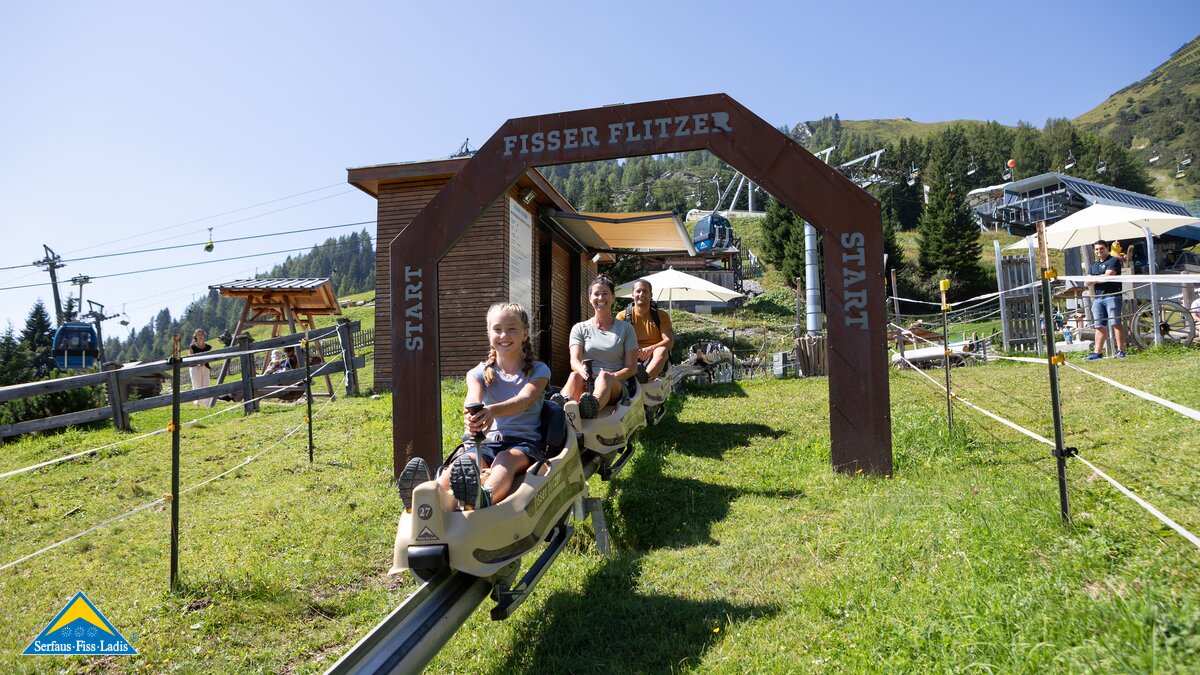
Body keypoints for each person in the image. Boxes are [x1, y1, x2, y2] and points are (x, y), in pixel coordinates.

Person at [397, 303, 551, 511]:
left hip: (522, 444)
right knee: (466, 462)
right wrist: (472, 416)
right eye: (497, 329)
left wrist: (492, 411)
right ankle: (429, 496)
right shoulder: (477, 373)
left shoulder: (539, 371)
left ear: (524, 334)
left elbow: (524, 400)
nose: (504, 335)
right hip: (485, 443)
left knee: (505, 459)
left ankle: (483, 496)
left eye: (511, 329)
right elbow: (473, 399)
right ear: (489, 334)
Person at [559, 275, 638, 419]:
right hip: (587, 380)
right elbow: (574, 361)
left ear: (613, 297)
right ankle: (562, 405)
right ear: (590, 298)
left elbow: (631, 368)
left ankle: (591, 406)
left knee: (604, 377)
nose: (600, 298)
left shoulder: (626, 329)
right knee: (574, 375)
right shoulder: (579, 328)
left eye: (605, 293)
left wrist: (610, 376)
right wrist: (581, 370)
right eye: (596, 294)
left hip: (615, 384)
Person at [616, 278, 675, 381]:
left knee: (663, 350)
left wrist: (649, 349)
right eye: (638, 291)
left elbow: (669, 342)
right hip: (631, 354)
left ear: (651, 295)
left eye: (645, 291)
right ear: (632, 295)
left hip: (654, 356)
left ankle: (644, 377)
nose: (641, 294)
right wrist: (635, 352)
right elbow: (617, 342)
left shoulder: (661, 316)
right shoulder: (622, 316)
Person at [1086, 240, 1126, 360]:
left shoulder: (1114, 260)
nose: (1099, 251)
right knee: (1099, 326)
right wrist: (1100, 278)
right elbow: (1087, 281)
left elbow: (1109, 276)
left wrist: (1095, 278)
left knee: (1115, 323)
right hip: (1098, 298)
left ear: (1107, 248)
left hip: (1113, 296)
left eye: (1101, 248)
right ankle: (1097, 353)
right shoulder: (1093, 265)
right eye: (1097, 249)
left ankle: (1121, 351)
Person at [188, 328, 215, 407]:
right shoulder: (192, 347)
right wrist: (198, 363)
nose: (200, 336)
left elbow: (211, 357)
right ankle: (197, 403)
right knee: (197, 384)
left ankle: (207, 403)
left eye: (201, 335)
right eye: (198, 335)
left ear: (204, 336)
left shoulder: (208, 347)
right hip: (195, 368)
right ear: (195, 336)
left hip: (205, 367)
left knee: (206, 384)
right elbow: (190, 358)